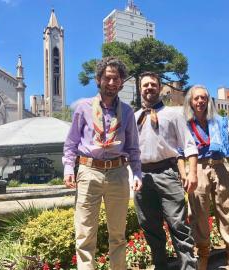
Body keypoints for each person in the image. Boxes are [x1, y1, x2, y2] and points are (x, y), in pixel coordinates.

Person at [63, 57, 142, 270]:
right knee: (85, 233)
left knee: (118, 233)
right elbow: (71, 142)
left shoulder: (126, 112)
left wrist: (137, 173)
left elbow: (133, 147)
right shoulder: (83, 107)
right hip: (89, 171)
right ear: (99, 80)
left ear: (121, 83)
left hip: (118, 172)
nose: (111, 82)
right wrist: (69, 167)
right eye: (107, 77)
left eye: (116, 78)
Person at [177, 85, 229, 270]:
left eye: (203, 98)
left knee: (228, 209)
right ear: (190, 101)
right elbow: (179, 153)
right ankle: (203, 255)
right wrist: (184, 174)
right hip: (198, 169)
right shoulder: (185, 123)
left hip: (219, 166)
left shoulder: (218, 121)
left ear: (208, 100)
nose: (200, 101)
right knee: (199, 214)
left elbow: (226, 147)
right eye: (196, 98)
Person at [134, 71, 199, 270]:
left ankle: (189, 267)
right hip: (142, 177)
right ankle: (160, 266)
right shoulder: (135, 117)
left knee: (179, 226)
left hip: (167, 173)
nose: (149, 88)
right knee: (150, 228)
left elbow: (189, 144)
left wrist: (192, 172)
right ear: (140, 89)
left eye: (153, 84)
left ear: (160, 88)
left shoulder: (174, 114)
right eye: (145, 85)